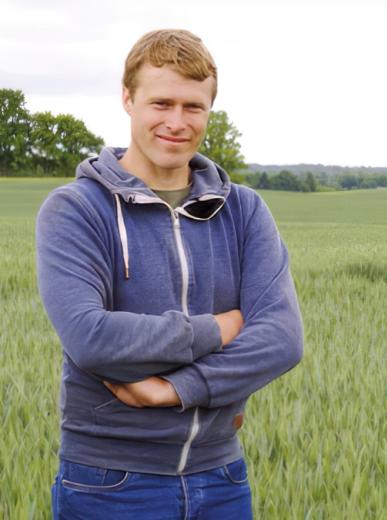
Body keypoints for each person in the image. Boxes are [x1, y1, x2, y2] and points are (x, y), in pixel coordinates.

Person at [36, 29, 303, 518]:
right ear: (127, 98)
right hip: (110, 484)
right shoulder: (77, 209)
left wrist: (174, 389)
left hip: (222, 478)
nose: (176, 122)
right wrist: (220, 327)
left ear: (208, 111)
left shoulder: (243, 210)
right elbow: (91, 337)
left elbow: (282, 339)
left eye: (192, 107)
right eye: (161, 103)